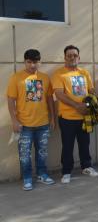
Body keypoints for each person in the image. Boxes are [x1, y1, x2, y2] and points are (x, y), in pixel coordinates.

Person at [7, 49, 56, 191]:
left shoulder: (45, 78)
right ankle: (27, 178)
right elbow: (10, 100)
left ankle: (42, 174)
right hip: (24, 125)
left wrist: (52, 118)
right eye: (29, 62)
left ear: (39, 62)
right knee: (24, 155)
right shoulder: (16, 78)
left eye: (35, 62)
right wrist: (14, 121)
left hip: (43, 124)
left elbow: (49, 99)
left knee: (42, 152)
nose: (32, 65)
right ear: (25, 62)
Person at [52, 45, 98, 184]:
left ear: (79, 57)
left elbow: (91, 90)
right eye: (69, 55)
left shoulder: (84, 73)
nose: (72, 57)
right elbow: (59, 94)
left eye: (75, 55)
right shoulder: (59, 74)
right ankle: (66, 172)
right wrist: (77, 106)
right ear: (65, 57)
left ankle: (87, 166)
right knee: (67, 146)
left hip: (85, 117)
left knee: (85, 144)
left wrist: (92, 102)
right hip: (67, 118)